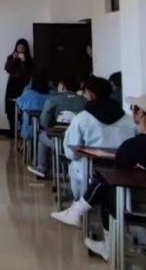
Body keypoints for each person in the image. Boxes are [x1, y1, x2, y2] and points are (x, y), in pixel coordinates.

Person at [51, 94, 146, 259]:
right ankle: (77, 212)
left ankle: (107, 245)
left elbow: (117, 177)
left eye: (133, 109)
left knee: (106, 187)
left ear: (141, 114)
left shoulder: (132, 146)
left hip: (135, 203)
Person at [57, 75, 137, 203]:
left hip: (90, 174)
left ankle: (79, 202)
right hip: (123, 174)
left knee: (74, 165)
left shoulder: (82, 119)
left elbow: (72, 153)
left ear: (91, 95)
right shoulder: (129, 120)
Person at [34, 75, 87, 178]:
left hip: (58, 142)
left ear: (62, 86)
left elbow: (44, 123)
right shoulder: (84, 101)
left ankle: (42, 169)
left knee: (41, 136)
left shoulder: (53, 100)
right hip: (79, 144)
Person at [3, 38, 33, 133]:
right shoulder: (11, 57)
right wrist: (14, 59)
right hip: (12, 85)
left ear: (26, 49)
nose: (20, 49)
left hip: (23, 86)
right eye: (19, 47)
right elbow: (8, 69)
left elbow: (27, 73)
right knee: (10, 108)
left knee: (22, 108)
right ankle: (12, 130)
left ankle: (22, 131)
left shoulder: (29, 60)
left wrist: (23, 61)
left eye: (22, 48)